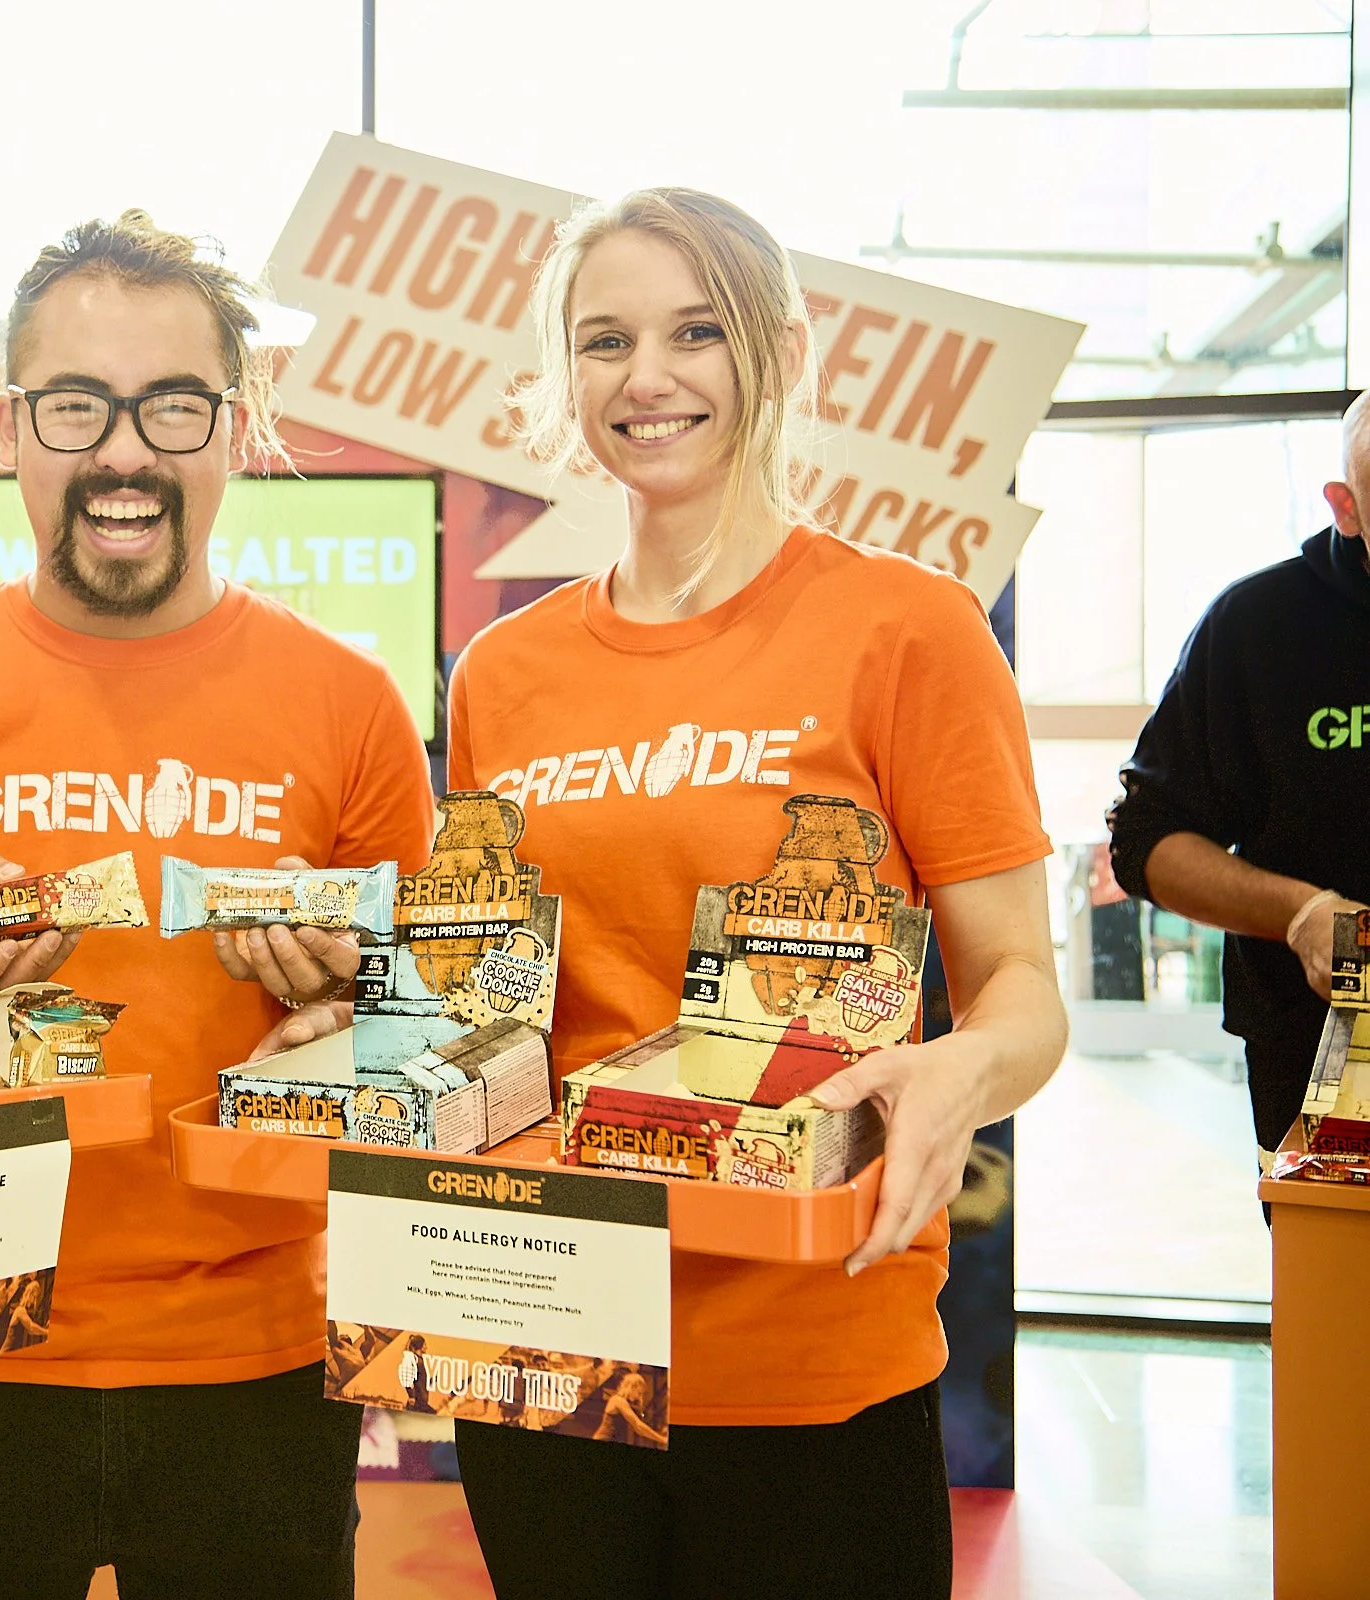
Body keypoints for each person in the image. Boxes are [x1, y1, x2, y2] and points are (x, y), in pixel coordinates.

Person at [440, 188, 1067, 1598]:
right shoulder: (503, 674)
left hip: (811, 1353)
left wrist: (964, 1065)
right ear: (567, 375)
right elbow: (491, 997)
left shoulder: (909, 629)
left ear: (779, 352)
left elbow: (1024, 990)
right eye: (605, 341)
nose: (647, 378)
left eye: (695, 333)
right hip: (546, 1332)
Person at [0, 210, 436, 1600]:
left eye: (172, 405)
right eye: (82, 404)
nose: (126, 454)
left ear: (234, 423)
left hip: (258, 1364)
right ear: (15, 422)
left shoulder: (351, 704)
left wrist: (348, 1006)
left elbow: (439, 1042)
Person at [1107, 393, 1370, 1153]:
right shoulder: (1259, 628)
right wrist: (1302, 914)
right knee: (1339, 1274)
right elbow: (1147, 843)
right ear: (1345, 507)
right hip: (1320, 1055)